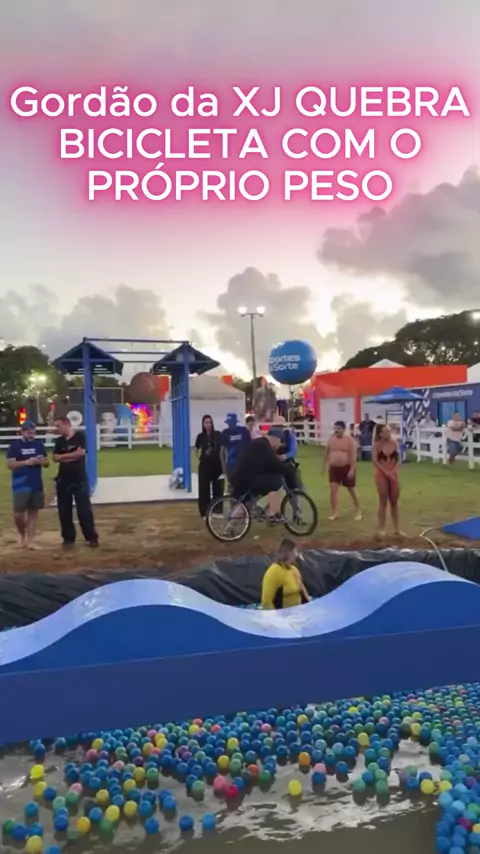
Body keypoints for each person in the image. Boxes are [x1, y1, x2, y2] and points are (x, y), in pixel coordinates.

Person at [229, 427, 298, 522]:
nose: (279, 445)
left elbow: (266, 464)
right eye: (279, 442)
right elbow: (274, 463)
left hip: (243, 478)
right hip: (246, 479)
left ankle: (229, 527)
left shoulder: (260, 444)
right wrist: (289, 473)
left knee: (247, 503)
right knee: (276, 482)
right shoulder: (262, 446)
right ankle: (273, 514)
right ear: (275, 438)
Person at [53, 417, 99, 547]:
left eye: (58, 426)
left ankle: (91, 537)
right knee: (64, 511)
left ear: (66, 424)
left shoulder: (80, 437)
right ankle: (68, 538)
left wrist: (63, 457)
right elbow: (55, 458)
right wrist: (72, 455)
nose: (56, 429)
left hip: (79, 479)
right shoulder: (59, 441)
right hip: (63, 480)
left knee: (84, 510)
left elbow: (81, 453)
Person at [6, 421, 49, 549]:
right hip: (20, 484)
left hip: (36, 483)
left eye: (33, 433)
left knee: (33, 512)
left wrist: (42, 462)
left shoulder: (38, 445)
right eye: (29, 433)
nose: (32, 435)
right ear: (22, 432)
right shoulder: (15, 446)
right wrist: (27, 462)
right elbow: (10, 464)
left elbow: (46, 462)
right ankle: (22, 535)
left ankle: (31, 540)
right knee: (18, 514)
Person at [323, 421, 362, 521]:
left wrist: (352, 469)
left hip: (346, 467)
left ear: (344, 430)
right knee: (333, 490)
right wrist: (324, 464)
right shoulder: (331, 439)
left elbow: (353, 456)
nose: (336, 430)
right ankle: (335, 512)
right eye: (335, 428)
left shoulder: (349, 440)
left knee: (352, 489)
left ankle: (358, 510)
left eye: (339, 429)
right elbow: (327, 451)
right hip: (334, 468)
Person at [372, 423, 404, 539]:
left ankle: (397, 528)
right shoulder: (377, 445)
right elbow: (375, 461)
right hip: (382, 473)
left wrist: (393, 472)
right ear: (380, 434)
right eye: (386, 432)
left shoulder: (394, 443)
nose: (388, 434)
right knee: (383, 500)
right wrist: (386, 472)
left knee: (394, 501)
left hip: (393, 473)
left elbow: (399, 459)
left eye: (389, 431)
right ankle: (382, 528)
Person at [261, 538, 311, 609]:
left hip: (298, 611)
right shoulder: (274, 572)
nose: (296, 555)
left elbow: (304, 593)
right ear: (289, 553)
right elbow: (266, 602)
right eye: (295, 551)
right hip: (283, 613)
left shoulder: (294, 570)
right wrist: (276, 615)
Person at [195, 414, 224, 518]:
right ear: (203, 424)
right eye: (206, 422)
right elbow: (197, 449)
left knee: (218, 488)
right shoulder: (200, 437)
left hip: (217, 466)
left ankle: (218, 511)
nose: (208, 424)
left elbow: (222, 448)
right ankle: (205, 512)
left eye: (210, 422)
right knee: (204, 489)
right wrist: (198, 459)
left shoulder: (218, 435)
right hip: (205, 466)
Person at [220, 412, 251, 484]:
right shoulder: (225, 433)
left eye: (231, 423)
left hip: (243, 464)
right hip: (231, 466)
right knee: (232, 485)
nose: (230, 425)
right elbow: (222, 451)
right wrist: (223, 467)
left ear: (235, 422)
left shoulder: (243, 431)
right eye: (229, 423)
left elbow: (249, 447)